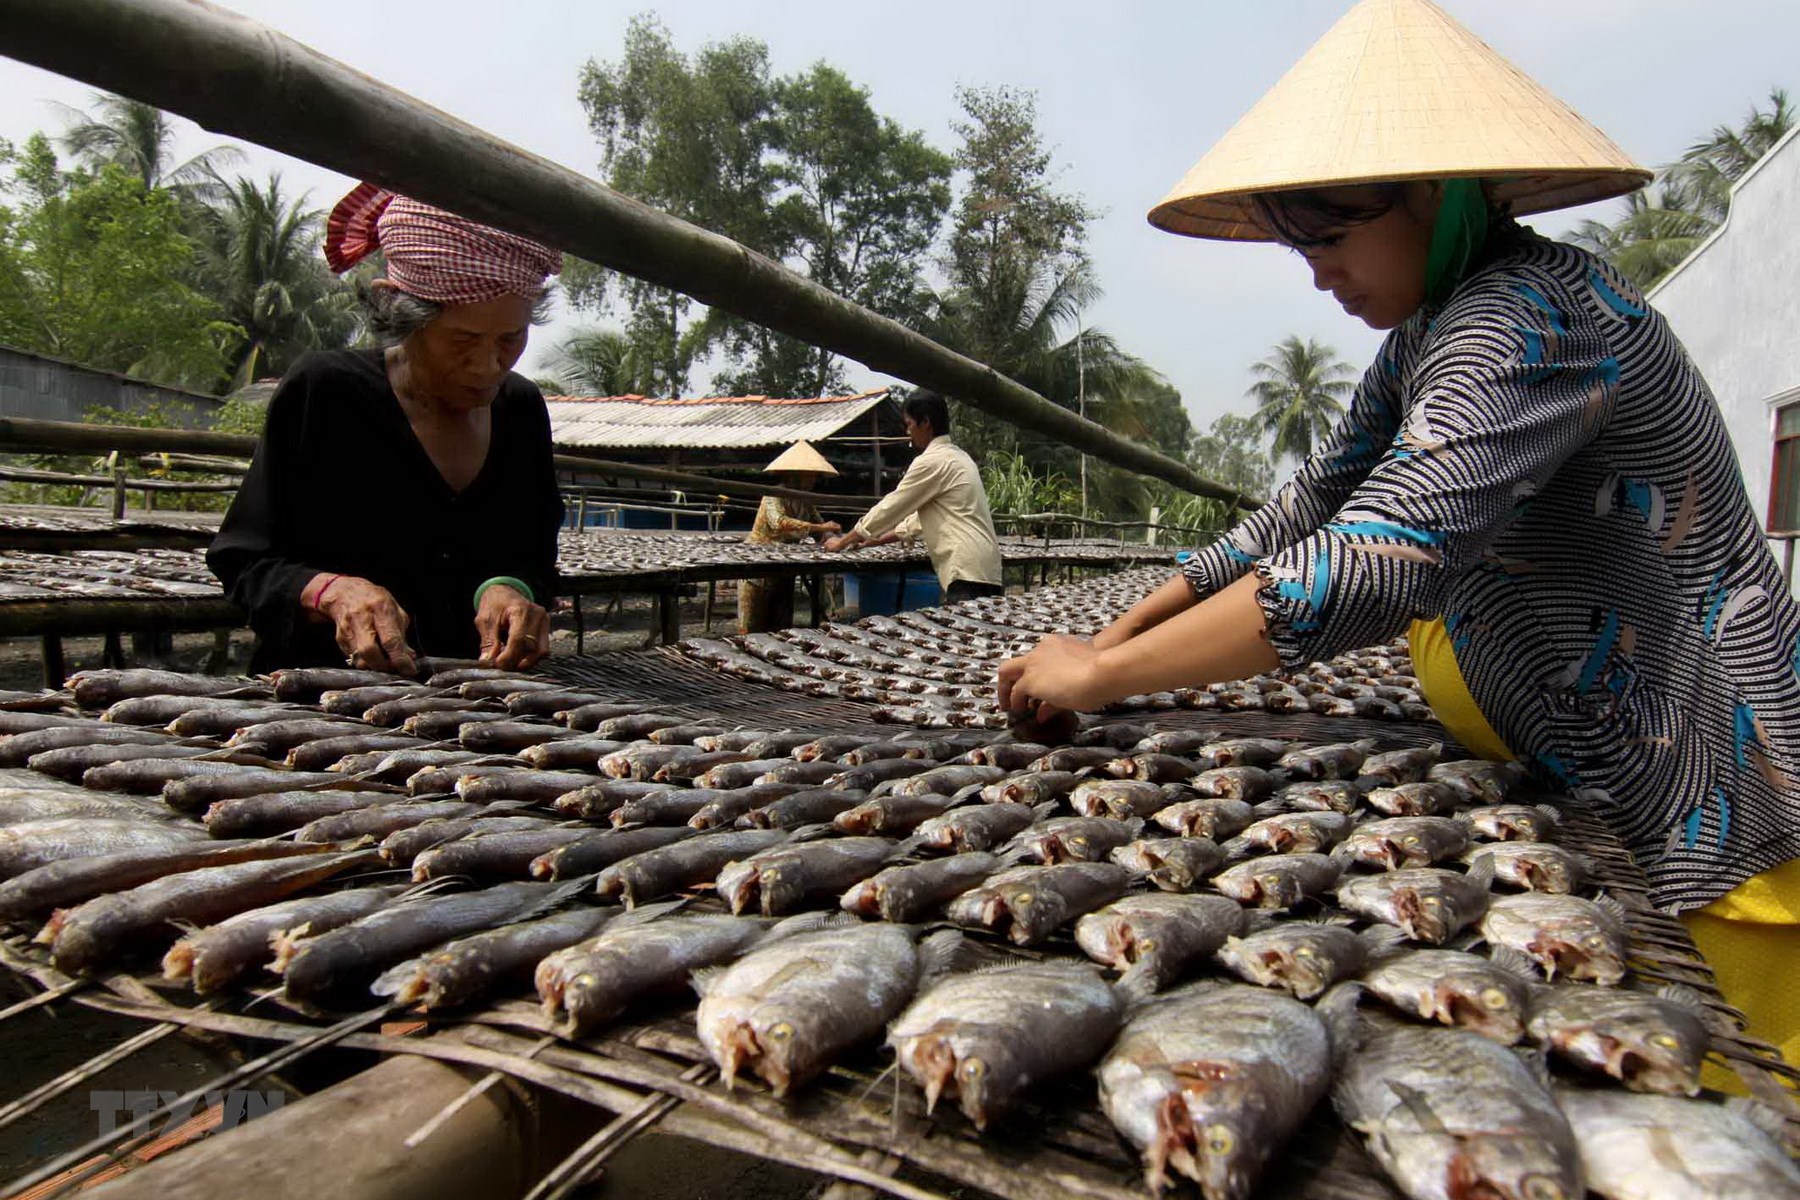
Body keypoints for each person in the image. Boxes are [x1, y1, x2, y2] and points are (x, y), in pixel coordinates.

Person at [999, 0, 1800, 1062]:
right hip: (1596, 787)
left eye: (1332, 237)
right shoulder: (1433, 326)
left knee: (1740, 1115)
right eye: (1301, 245)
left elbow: (1379, 559)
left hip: (1714, 819)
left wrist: (1102, 684)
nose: (1318, 271)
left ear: (1435, 194)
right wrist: (1117, 632)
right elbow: (1310, 506)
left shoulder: (1528, 321)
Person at [208, 183, 565, 675]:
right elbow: (245, 562)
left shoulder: (521, 409)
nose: (488, 364)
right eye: (463, 339)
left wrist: (510, 589)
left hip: (480, 704)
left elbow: (532, 556)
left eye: (511, 338)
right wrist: (332, 592)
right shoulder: (325, 392)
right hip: (322, 699)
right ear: (401, 314)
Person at [823, 391, 1004, 604]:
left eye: (909, 424)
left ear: (925, 422)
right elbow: (915, 523)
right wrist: (869, 542)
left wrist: (843, 541)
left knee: (968, 630)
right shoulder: (960, 458)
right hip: (987, 568)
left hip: (965, 570)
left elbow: (892, 507)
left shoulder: (932, 461)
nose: (908, 432)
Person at [738, 440, 842, 633]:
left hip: (784, 565)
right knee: (752, 627)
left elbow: (819, 524)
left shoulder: (805, 500)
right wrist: (820, 527)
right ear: (796, 475)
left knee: (780, 625)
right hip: (757, 563)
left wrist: (832, 536)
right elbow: (780, 522)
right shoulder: (773, 495)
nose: (813, 481)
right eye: (810, 476)